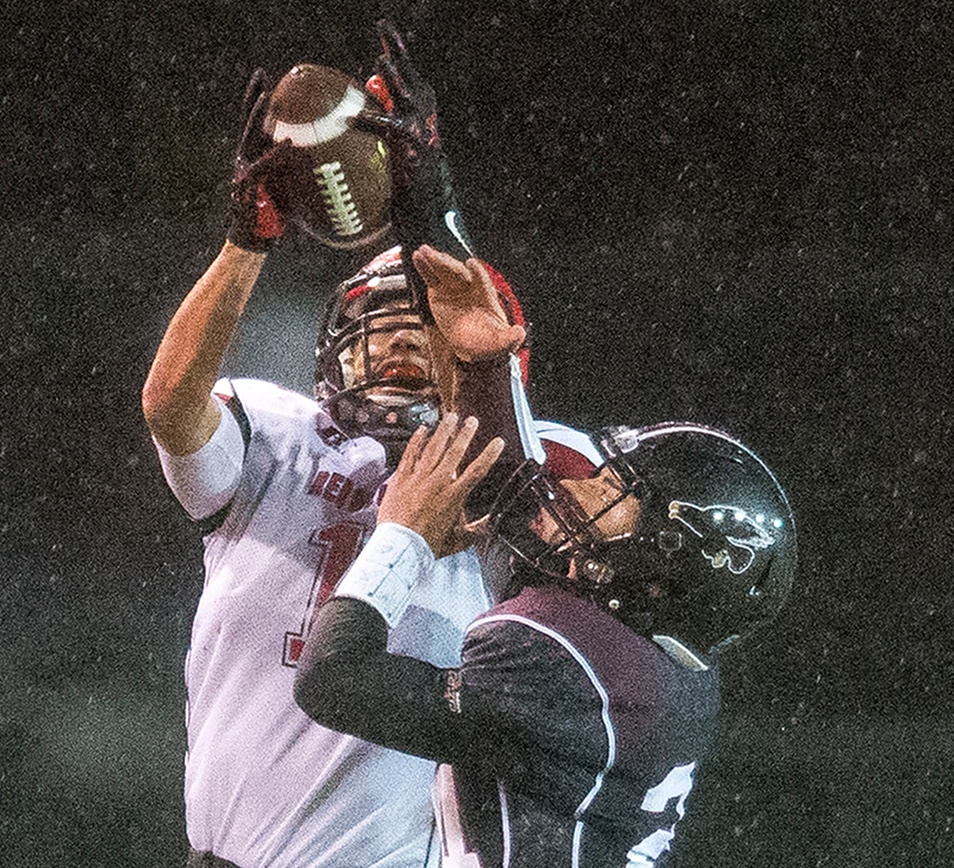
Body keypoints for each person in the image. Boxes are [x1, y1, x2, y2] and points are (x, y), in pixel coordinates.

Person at [141, 21, 568, 868]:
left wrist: (432, 214)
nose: (407, 343)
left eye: (428, 329)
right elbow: (169, 405)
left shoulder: (517, 466)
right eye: (385, 326)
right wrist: (244, 245)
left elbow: (502, 467)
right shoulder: (284, 434)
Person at [294, 248, 799, 867]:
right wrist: (480, 359)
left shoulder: (566, 651)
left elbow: (333, 680)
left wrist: (403, 537)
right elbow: (507, 491)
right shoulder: (673, 658)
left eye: (613, 492)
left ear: (662, 563)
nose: (580, 489)